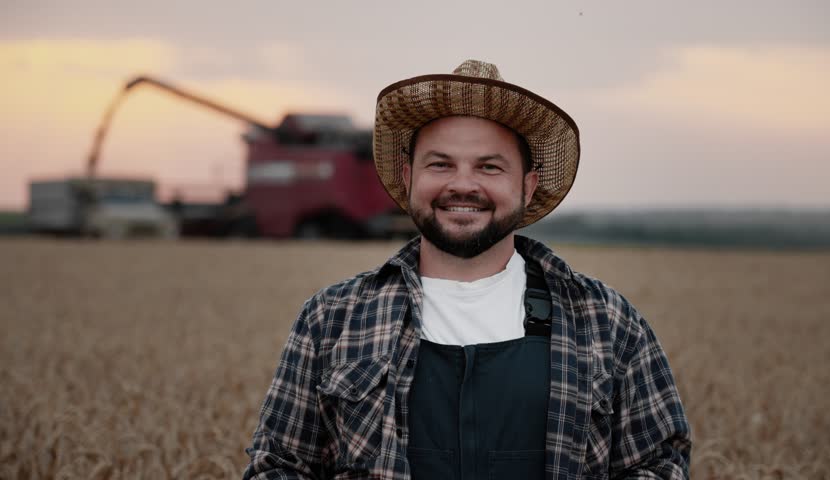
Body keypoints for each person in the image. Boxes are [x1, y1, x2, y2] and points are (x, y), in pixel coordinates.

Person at [244, 60, 691, 479]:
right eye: (440, 164)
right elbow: (277, 466)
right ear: (408, 178)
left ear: (527, 185)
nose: (462, 184)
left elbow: (660, 464)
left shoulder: (608, 323)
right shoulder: (331, 319)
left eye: (489, 167)